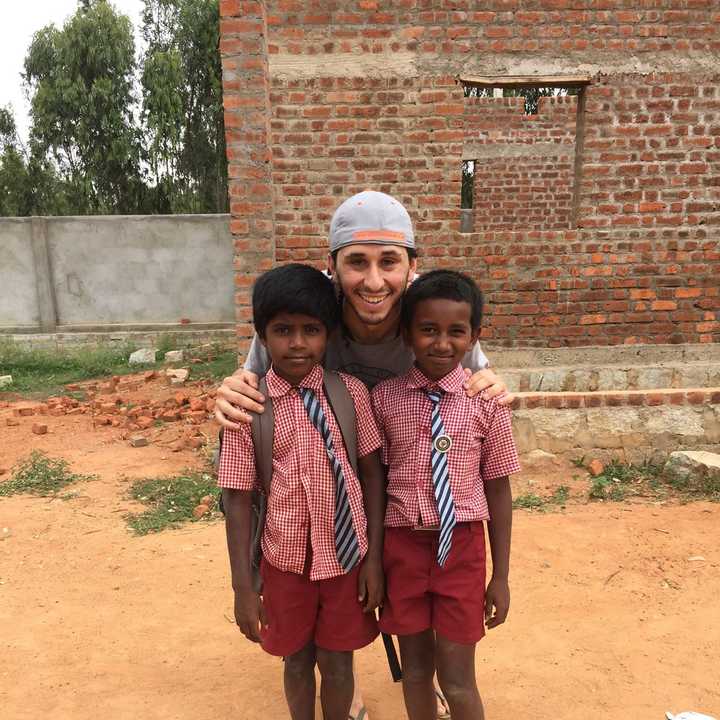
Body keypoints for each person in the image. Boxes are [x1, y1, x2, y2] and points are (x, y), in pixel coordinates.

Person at [215, 190, 513, 720]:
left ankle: (414, 674)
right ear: (332, 268)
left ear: (412, 267)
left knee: (396, 594)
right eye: (356, 262)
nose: (373, 282)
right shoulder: (309, 311)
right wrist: (229, 390)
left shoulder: (431, 313)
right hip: (314, 480)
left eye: (389, 262)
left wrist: (492, 384)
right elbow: (250, 391)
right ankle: (343, 681)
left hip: (409, 477)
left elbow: (478, 388)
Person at [218, 263, 386, 720]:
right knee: (296, 660)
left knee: (337, 661)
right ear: (262, 334)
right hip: (284, 562)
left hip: (346, 561)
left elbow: (372, 475)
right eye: (282, 330)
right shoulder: (248, 408)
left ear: (328, 334)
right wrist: (242, 588)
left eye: (310, 330)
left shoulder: (351, 395)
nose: (297, 343)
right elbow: (236, 498)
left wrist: (372, 559)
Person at [371, 269, 521, 720]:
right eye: (428, 330)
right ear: (406, 334)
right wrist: (374, 562)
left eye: (456, 332)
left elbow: (498, 488)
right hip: (402, 549)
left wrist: (501, 575)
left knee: (457, 680)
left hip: (462, 550)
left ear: (474, 336)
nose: (441, 344)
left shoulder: (487, 403)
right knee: (416, 674)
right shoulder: (384, 399)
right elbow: (374, 485)